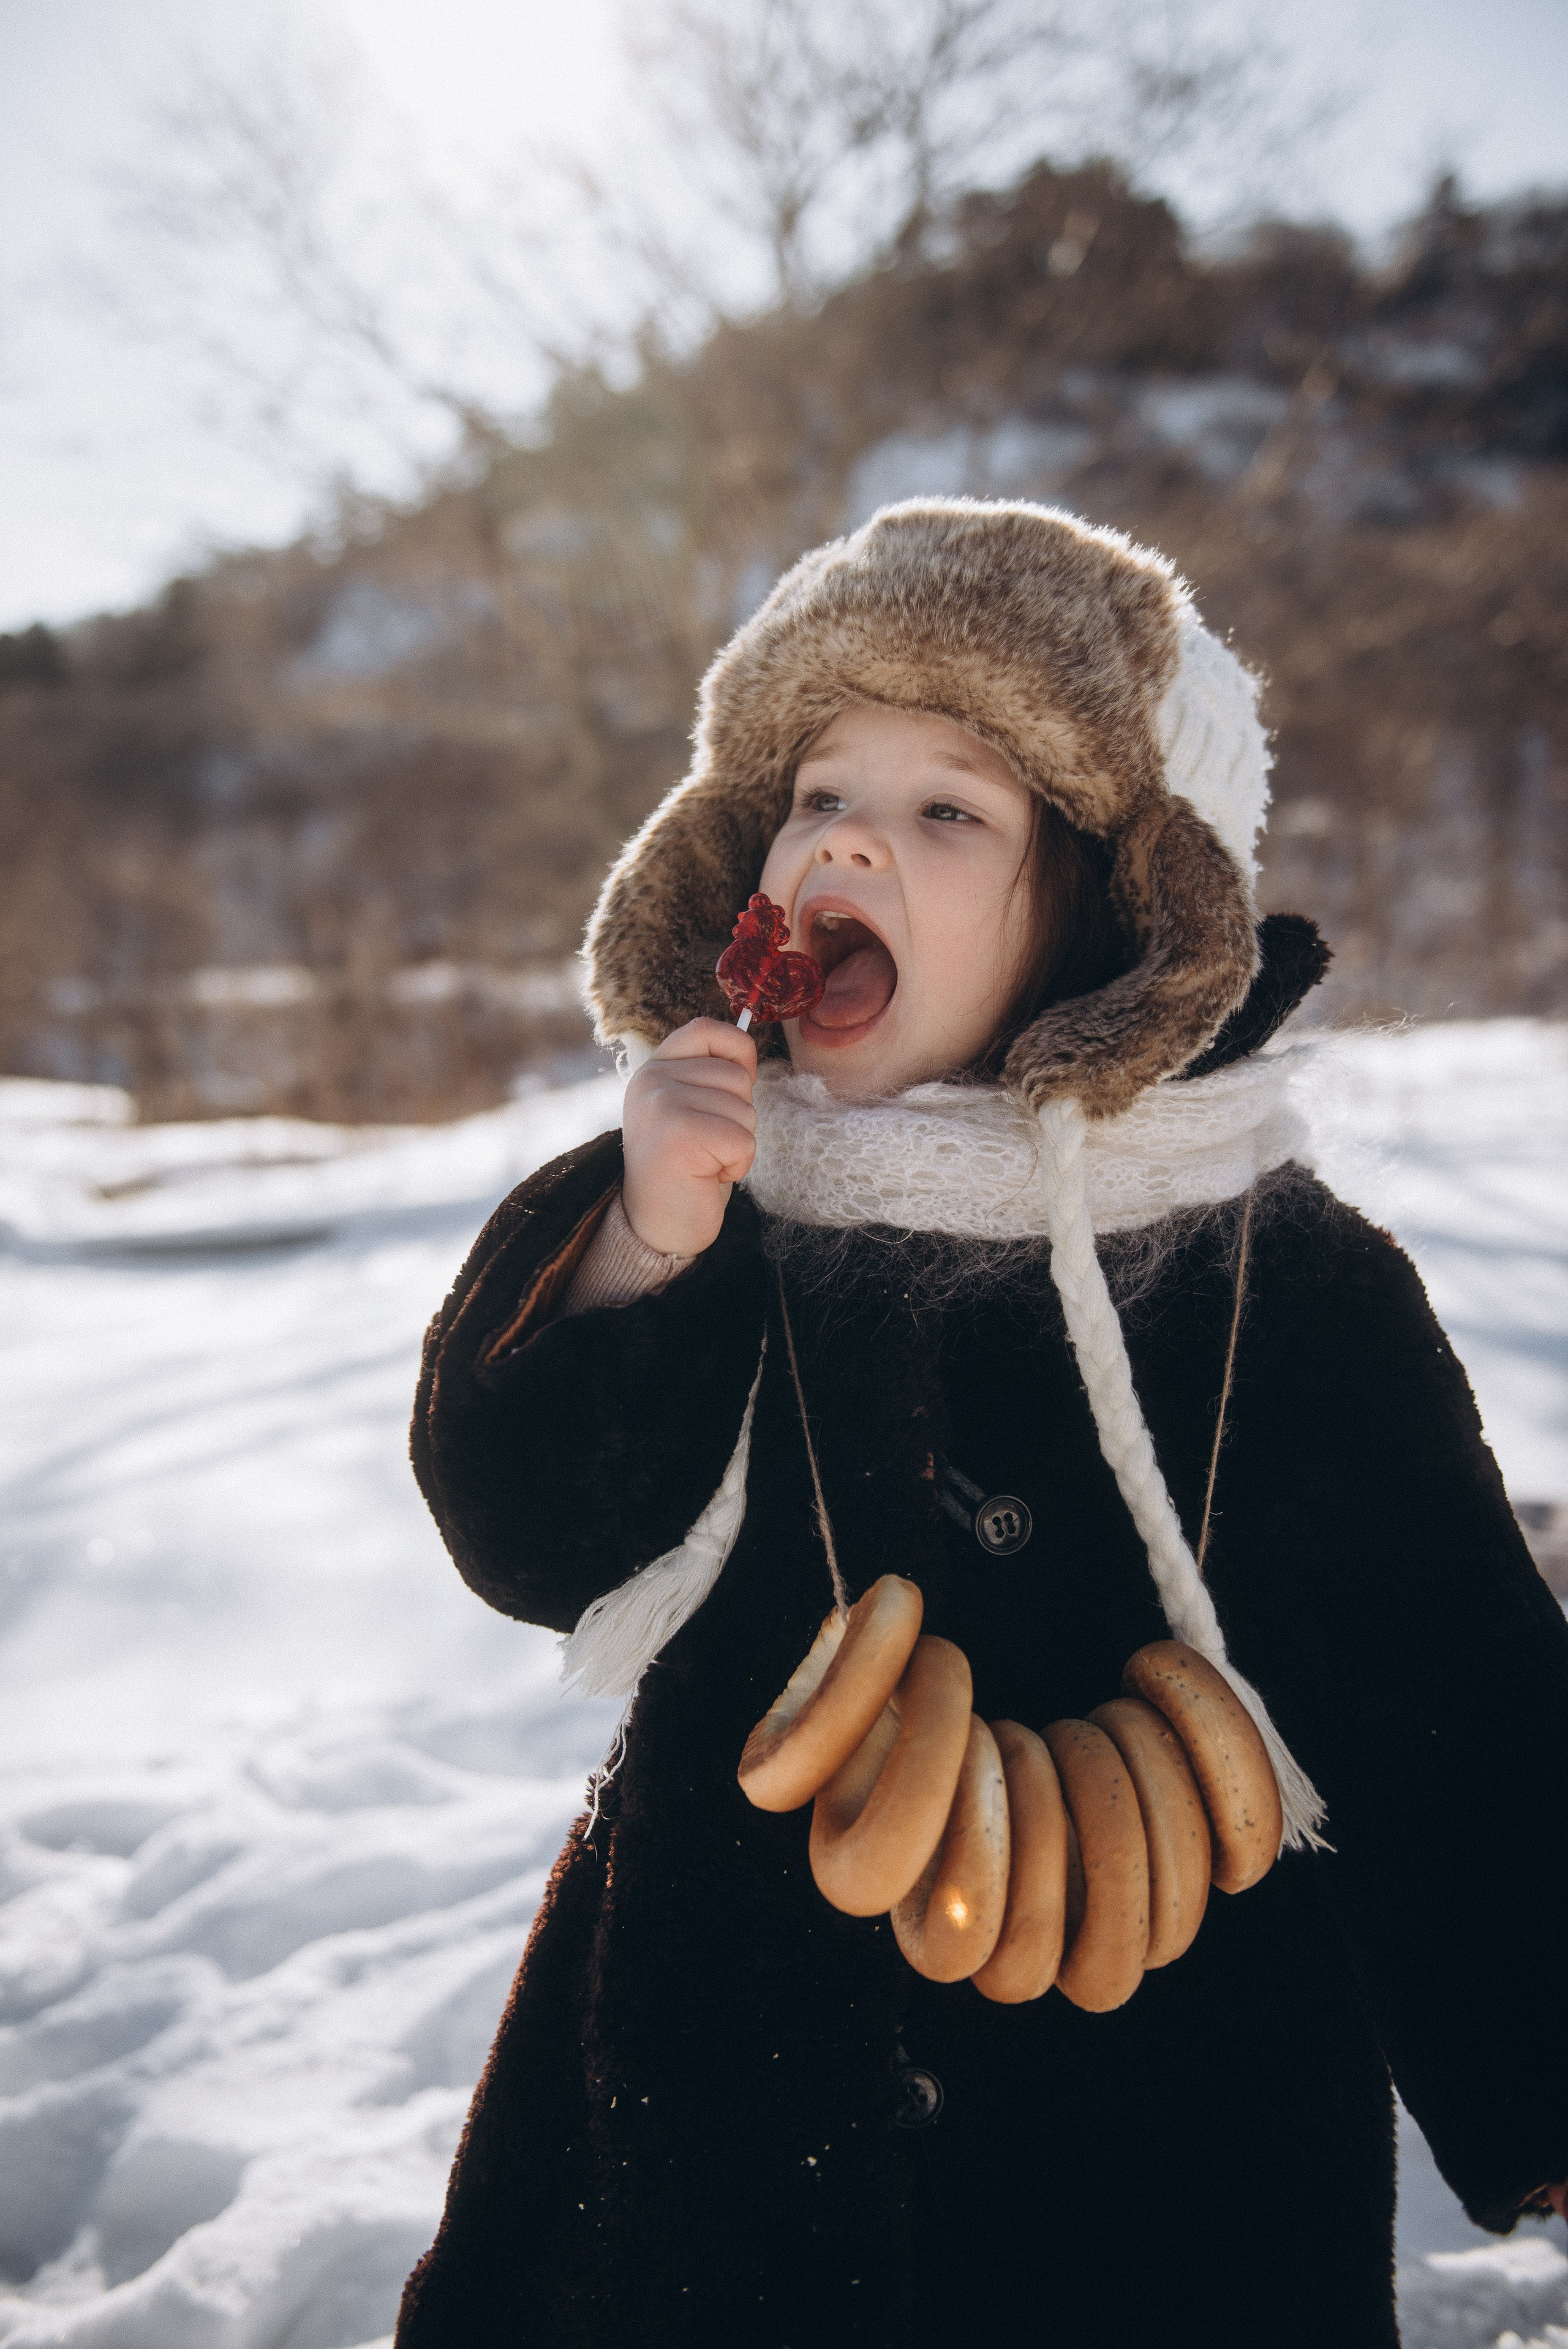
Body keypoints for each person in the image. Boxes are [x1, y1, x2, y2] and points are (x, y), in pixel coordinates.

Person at [395, 499, 1568, 2348]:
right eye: (813, 791)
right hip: (721, 2123)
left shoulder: (1277, 1271)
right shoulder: (713, 1202)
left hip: (1174, 2152)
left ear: (1114, 908)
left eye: (953, 808)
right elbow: (532, 1532)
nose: (845, 832)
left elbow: (1457, 1686)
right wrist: (641, 1245)